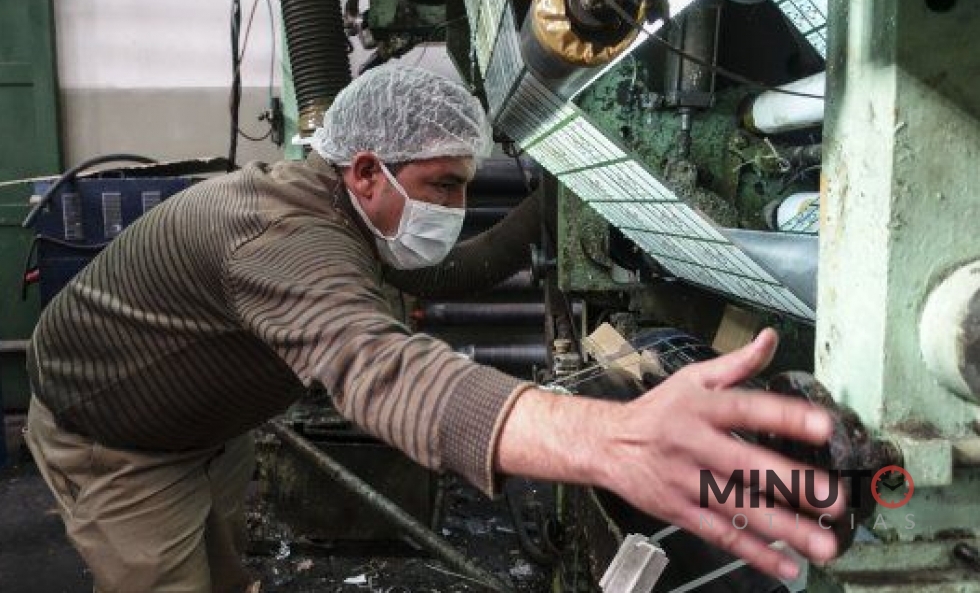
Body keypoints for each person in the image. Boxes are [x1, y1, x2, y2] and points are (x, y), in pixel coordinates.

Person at [25, 64, 843, 593]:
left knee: (227, 573)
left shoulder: (342, 211)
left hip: (208, 428)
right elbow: (380, 370)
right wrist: (609, 438)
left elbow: (453, 273)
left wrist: (555, 200)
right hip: (119, 440)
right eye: (444, 186)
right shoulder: (280, 235)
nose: (454, 208)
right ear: (365, 169)